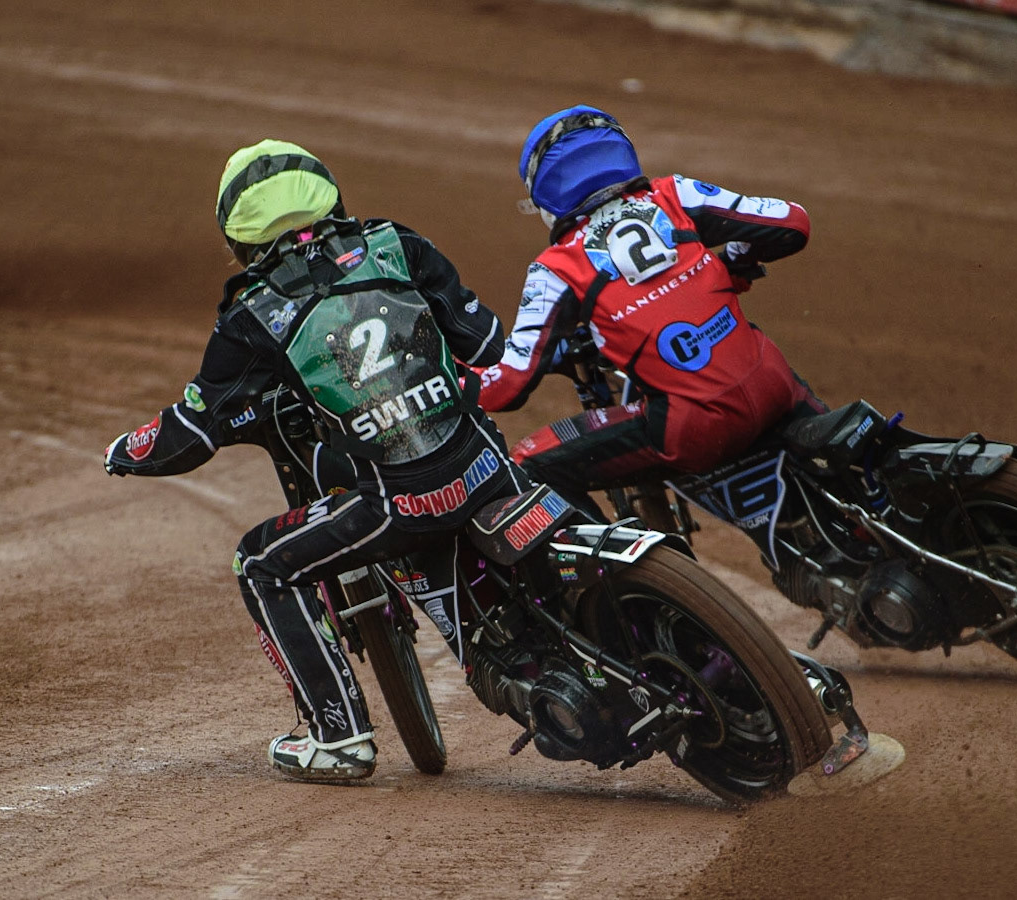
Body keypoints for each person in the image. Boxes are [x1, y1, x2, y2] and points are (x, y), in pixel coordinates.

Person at [103, 139, 529, 782]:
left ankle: (340, 738)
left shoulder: (253, 314)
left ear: (239, 236)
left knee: (260, 563)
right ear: (328, 195)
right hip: (486, 463)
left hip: (398, 501)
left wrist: (123, 453)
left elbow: (188, 434)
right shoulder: (397, 242)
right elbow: (490, 342)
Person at [474, 105, 826, 518]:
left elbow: (510, 385)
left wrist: (454, 383)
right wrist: (736, 261)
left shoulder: (557, 267)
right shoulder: (675, 194)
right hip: (774, 384)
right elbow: (793, 223)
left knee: (531, 463)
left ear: (545, 191)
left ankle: (627, 573)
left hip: (695, 428)